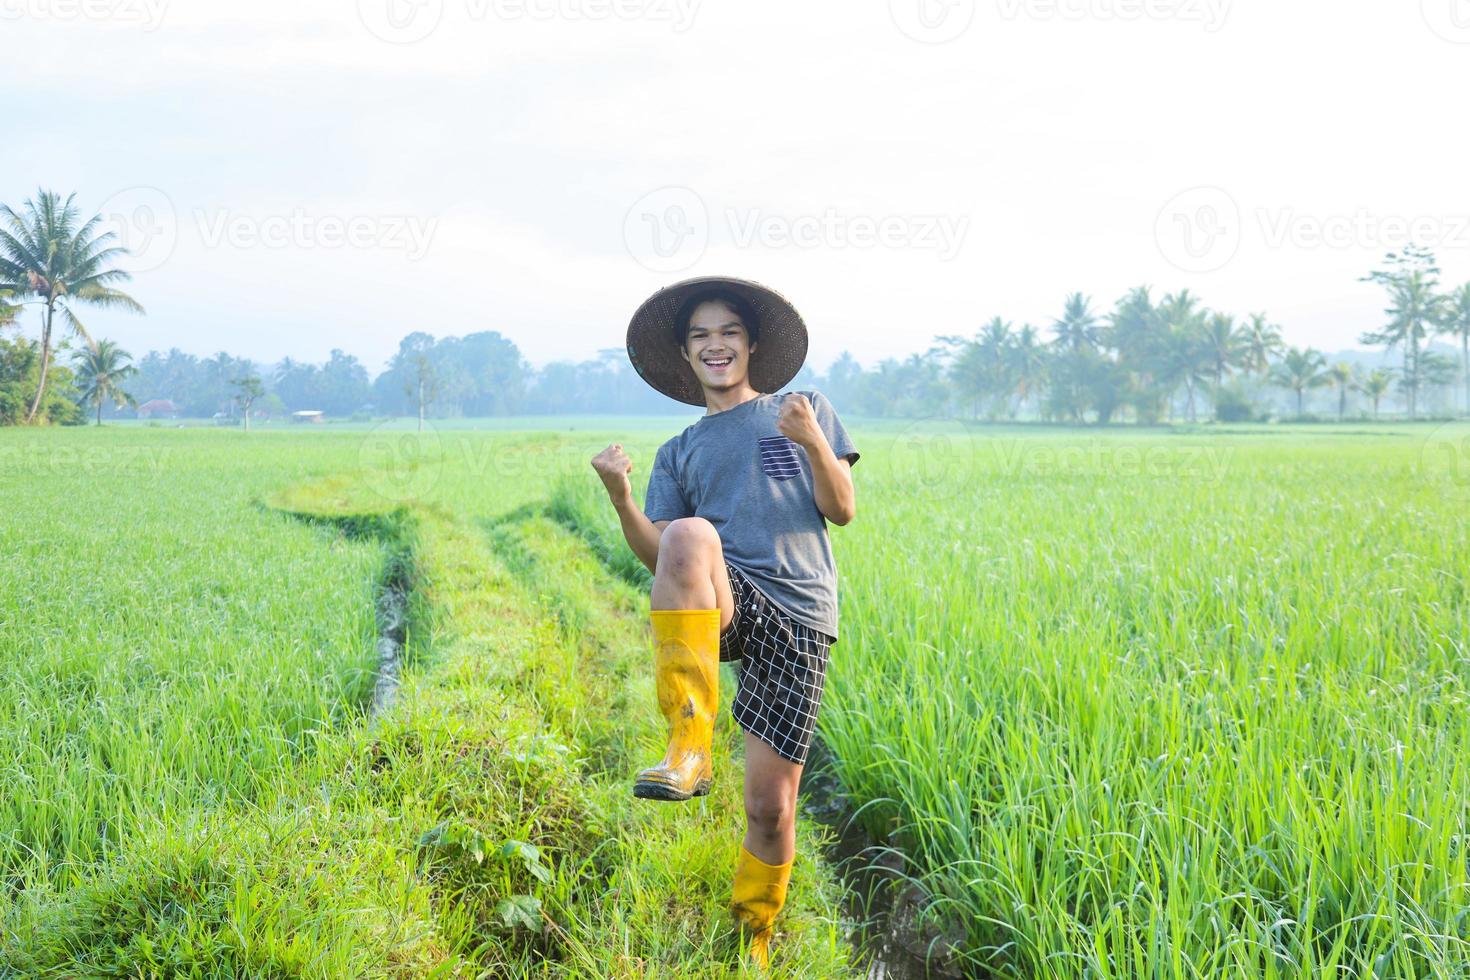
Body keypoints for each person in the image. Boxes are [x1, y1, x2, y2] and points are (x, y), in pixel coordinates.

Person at [589, 275, 860, 969]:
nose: (716, 345)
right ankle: (689, 744)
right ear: (685, 353)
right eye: (701, 335)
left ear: (752, 345)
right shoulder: (679, 451)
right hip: (727, 598)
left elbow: (842, 508)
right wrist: (622, 500)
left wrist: (810, 442)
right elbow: (664, 555)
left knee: (771, 807)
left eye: (728, 332)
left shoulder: (801, 409)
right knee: (688, 535)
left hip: (799, 612)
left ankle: (754, 937)